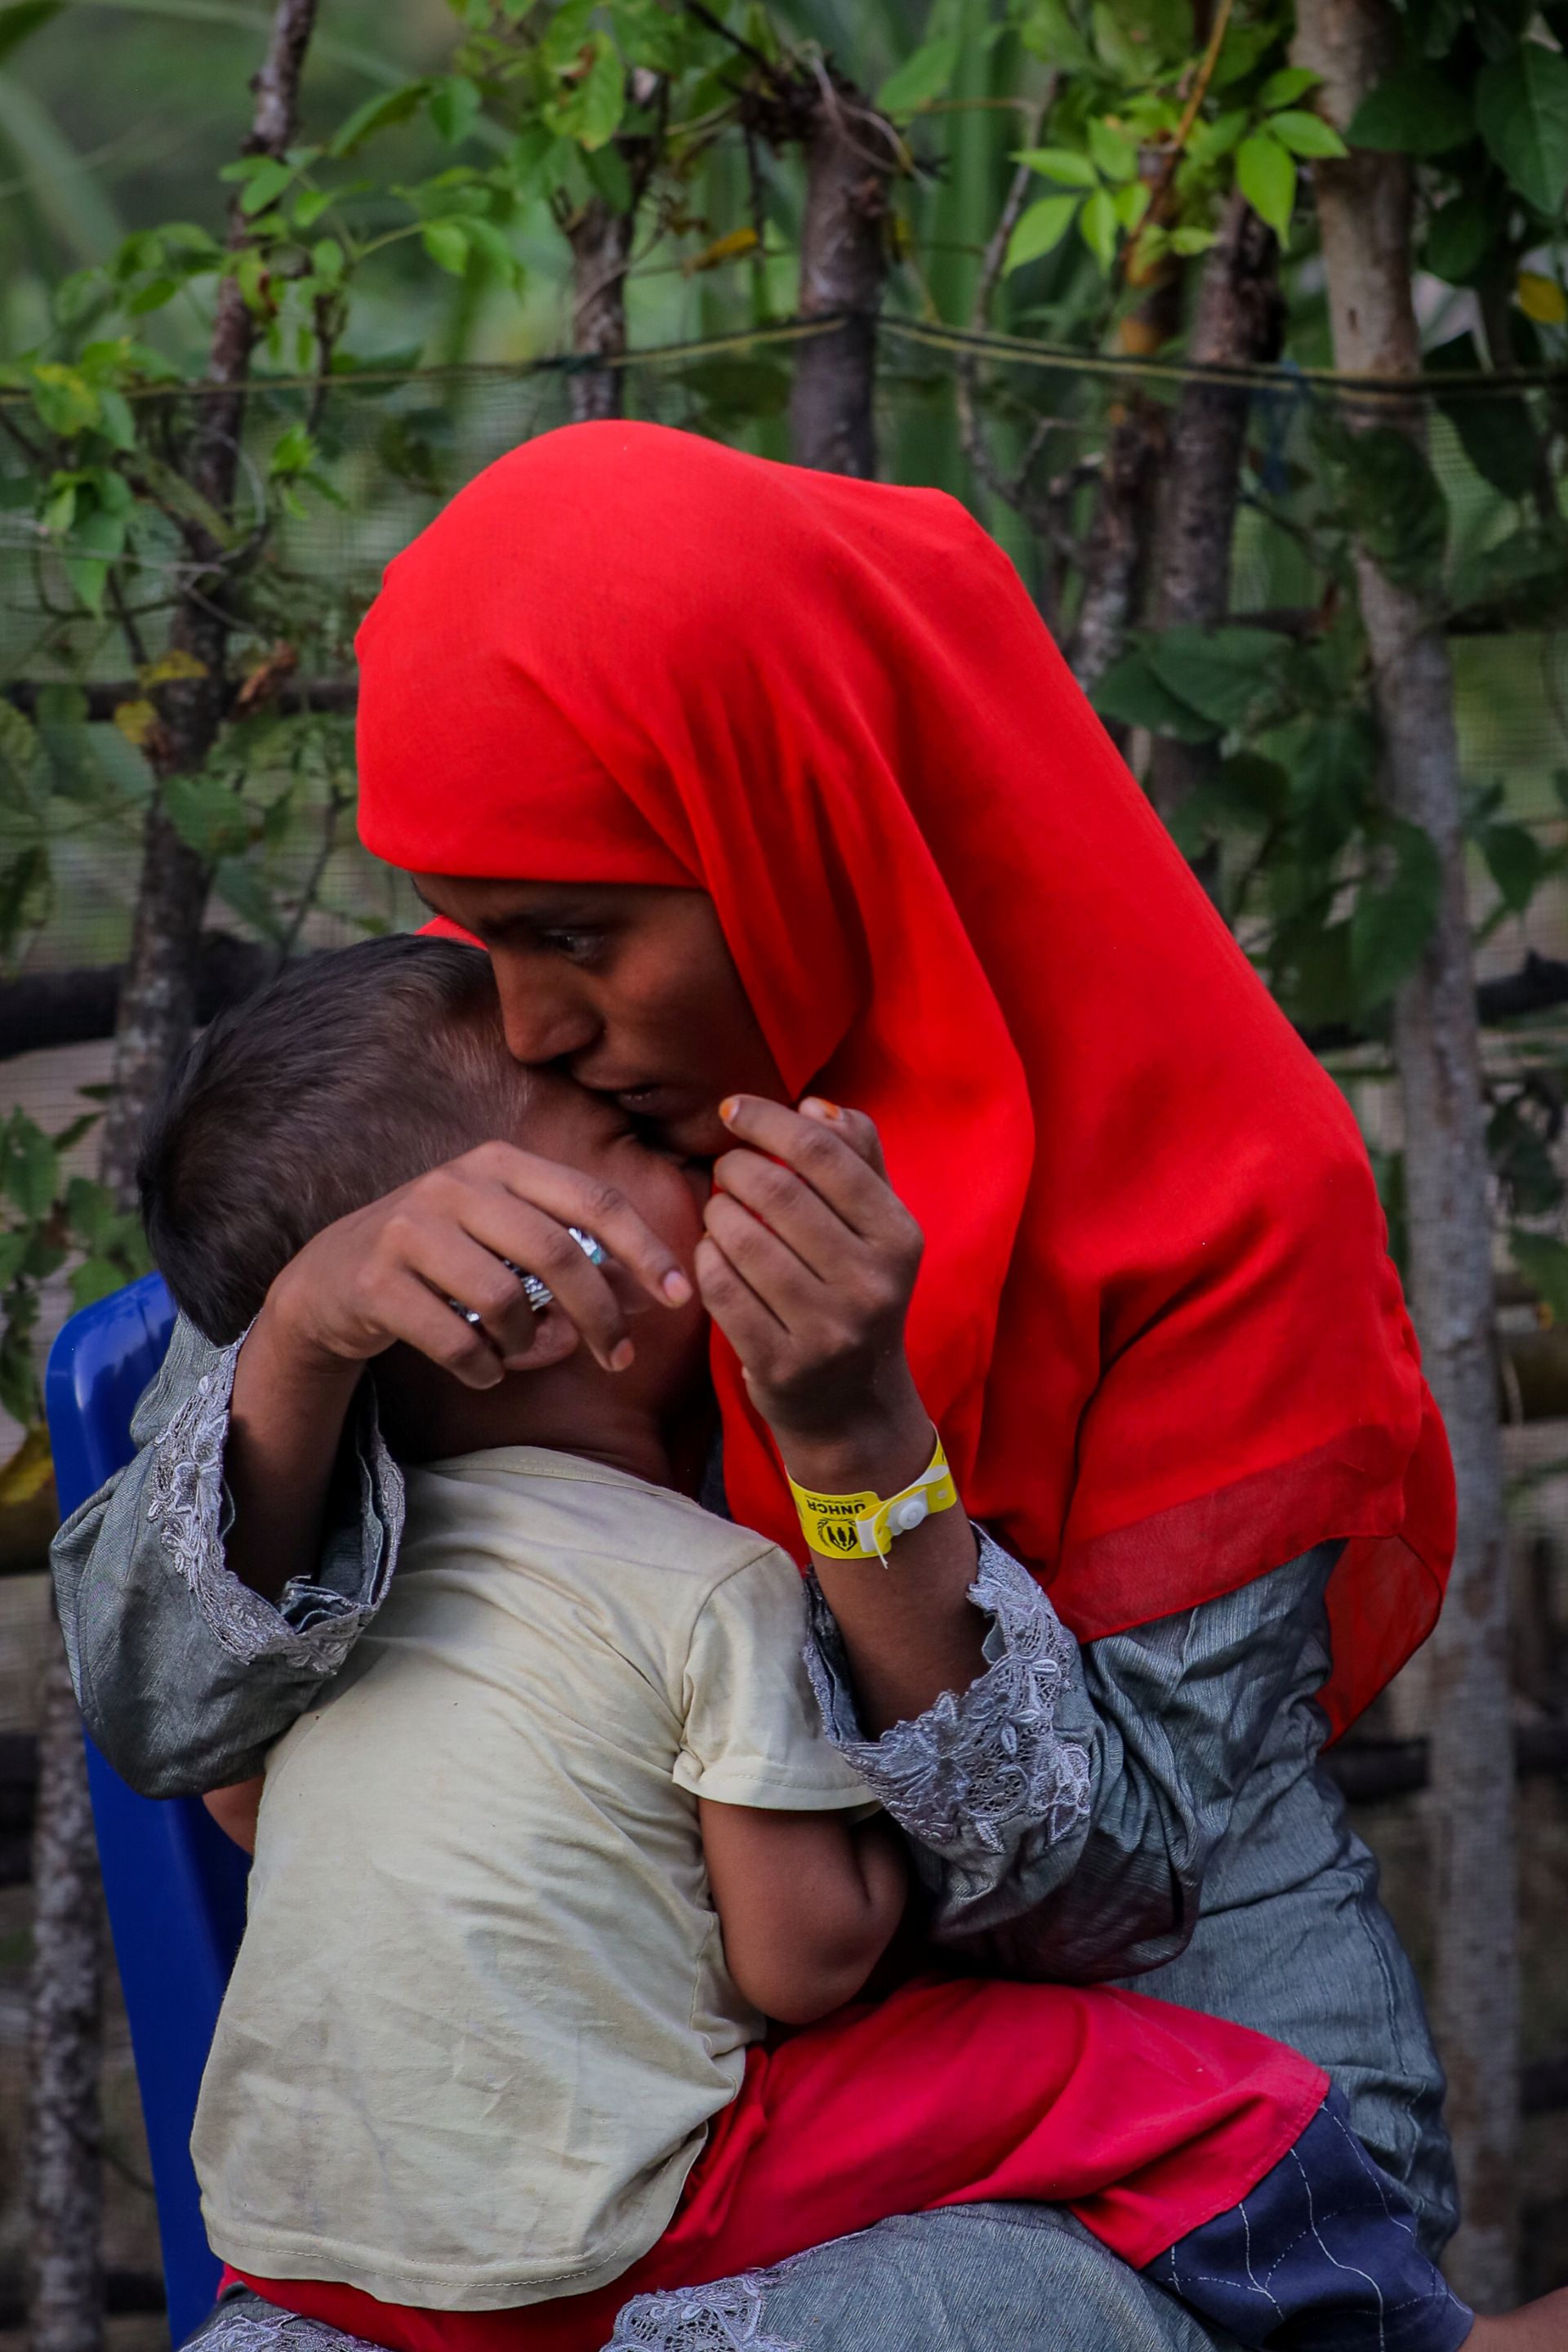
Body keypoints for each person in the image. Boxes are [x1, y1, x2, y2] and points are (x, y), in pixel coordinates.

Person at [52, 423, 1478, 2352]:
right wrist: (301, 1335)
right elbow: (155, 1705)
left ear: (792, 826)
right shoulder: (522, 1136)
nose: (529, 1014)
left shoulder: (1211, 1205)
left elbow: (1106, 1908)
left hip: (1175, 2152)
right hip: (609, 2136)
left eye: (578, 935)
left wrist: (859, 1459)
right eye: (486, 930)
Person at [134, 934, 1529, 2352]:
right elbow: (801, 1962)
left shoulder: (339, 1581)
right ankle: (1417, 2338)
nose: (713, 1153)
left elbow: (241, 1797)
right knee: (1143, 2084)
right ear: (517, 1290)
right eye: (635, 1139)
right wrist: (876, 1837)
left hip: (310, 2247)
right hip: (616, 2227)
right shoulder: (710, 1581)